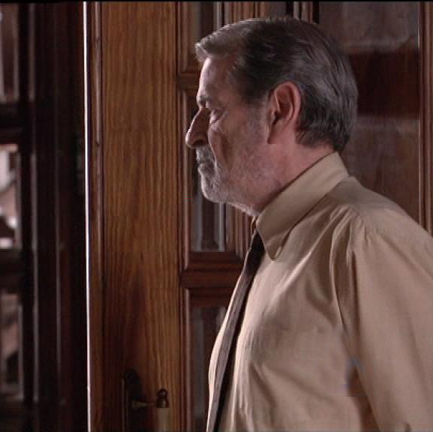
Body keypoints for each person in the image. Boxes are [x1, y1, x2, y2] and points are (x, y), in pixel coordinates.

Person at [185, 16, 433, 431]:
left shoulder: (366, 240)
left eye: (211, 109)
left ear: (280, 110)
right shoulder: (281, 244)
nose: (192, 134)